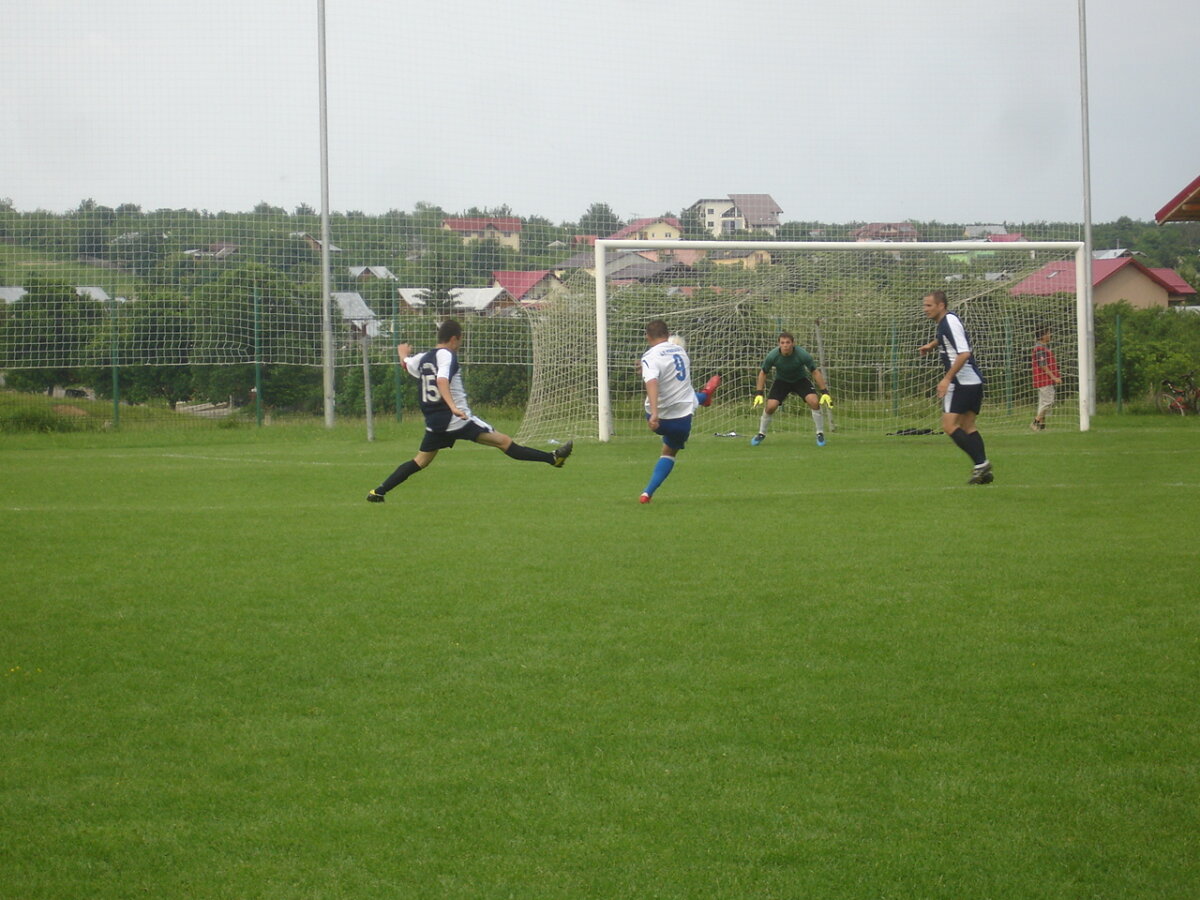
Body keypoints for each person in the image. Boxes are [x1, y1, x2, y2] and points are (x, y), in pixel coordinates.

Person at [367, 318, 571, 502]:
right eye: (460, 341)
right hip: (457, 419)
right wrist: (453, 407)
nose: (460, 345)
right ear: (454, 338)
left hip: (435, 423)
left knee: (420, 461)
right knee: (504, 442)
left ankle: (378, 491)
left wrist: (402, 354)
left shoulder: (423, 358)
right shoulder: (447, 355)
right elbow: (442, 380)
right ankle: (552, 459)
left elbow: (406, 364)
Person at [638, 320, 720, 504]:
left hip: (659, 419)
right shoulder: (681, 352)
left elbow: (652, 382)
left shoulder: (650, 356)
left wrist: (655, 413)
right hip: (682, 419)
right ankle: (647, 493)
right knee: (669, 452)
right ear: (668, 335)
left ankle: (704, 396)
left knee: (683, 397)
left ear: (647, 337)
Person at [918, 291, 992, 484]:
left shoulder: (949, 321)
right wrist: (932, 345)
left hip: (961, 382)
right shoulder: (946, 322)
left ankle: (981, 464)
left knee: (949, 426)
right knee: (968, 426)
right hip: (972, 381)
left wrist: (946, 379)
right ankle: (982, 469)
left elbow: (964, 353)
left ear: (941, 305)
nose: (925, 309)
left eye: (929, 305)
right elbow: (951, 340)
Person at [750, 332, 832, 446]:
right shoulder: (772, 356)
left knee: (814, 401)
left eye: (788, 342)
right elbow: (763, 372)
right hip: (781, 381)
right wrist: (759, 393)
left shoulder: (802, 355)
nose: (785, 345)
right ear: (779, 344)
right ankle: (761, 433)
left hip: (800, 380)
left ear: (793, 343)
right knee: (771, 406)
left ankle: (820, 433)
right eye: (782, 343)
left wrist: (825, 392)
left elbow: (815, 371)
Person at [1030, 323, 1062, 431]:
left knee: (1043, 403)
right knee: (1048, 402)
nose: (1050, 335)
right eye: (1048, 333)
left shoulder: (1043, 347)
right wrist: (1054, 377)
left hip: (1044, 380)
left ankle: (1041, 426)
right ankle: (1035, 421)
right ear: (1043, 335)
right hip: (1044, 379)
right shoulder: (1039, 349)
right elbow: (1042, 365)